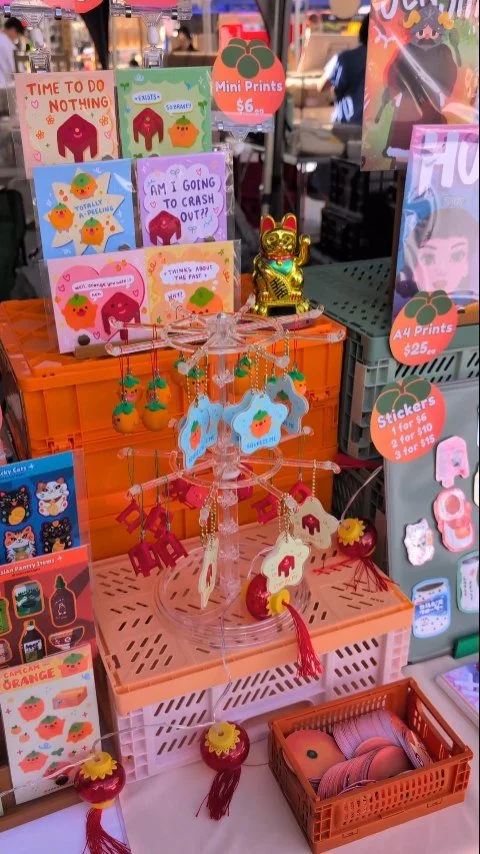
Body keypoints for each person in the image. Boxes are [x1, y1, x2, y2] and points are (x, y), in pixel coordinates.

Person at [322, 15, 369, 125]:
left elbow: (322, 86)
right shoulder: (388, 61)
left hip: (345, 124)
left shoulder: (344, 58)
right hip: (374, 127)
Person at [0, 17, 25, 86]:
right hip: (4, 86)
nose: (17, 37)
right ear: (13, 30)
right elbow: (16, 69)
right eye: (18, 34)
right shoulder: (8, 44)